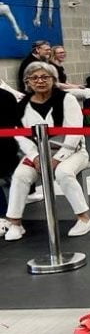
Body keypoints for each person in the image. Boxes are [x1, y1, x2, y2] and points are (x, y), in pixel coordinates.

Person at [5, 62, 90, 241]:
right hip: (39, 153)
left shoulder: (67, 99)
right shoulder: (22, 104)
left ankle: (84, 219)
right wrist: (35, 157)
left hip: (73, 152)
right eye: (34, 78)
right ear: (27, 82)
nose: (40, 81)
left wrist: (58, 158)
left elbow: (74, 132)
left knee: (63, 172)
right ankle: (15, 223)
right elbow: (20, 134)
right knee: (21, 175)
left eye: (45, 77)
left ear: (53, 80)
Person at [0, 88, 19, 236]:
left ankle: (3, 216)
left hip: (6, 149)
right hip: (10, 148)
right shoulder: (7, 95)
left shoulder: (5, 96)